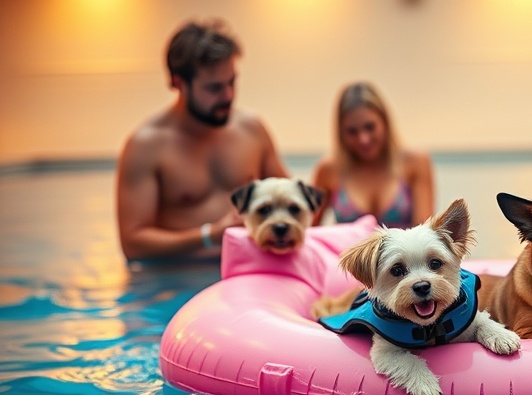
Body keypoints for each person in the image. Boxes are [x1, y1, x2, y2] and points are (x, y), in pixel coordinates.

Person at [115, 19, 289, 261]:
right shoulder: (146, 146)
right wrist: (210, 235)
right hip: (179, 279)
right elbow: (132, 243)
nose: (228, 95)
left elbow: (291, 199)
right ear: (179, 84)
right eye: (214, 88)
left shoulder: (252, 129)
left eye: (232, 82)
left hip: (248, 268)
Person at [310, 82, 434, 229]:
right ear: (341, 133)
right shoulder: (328, 170)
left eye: (370, 127)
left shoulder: (415, 162)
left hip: (403, 252)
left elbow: (424, 231)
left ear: (385, 122)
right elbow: (308, 230)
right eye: (352, 132)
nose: (363, 139)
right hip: (345, 251)